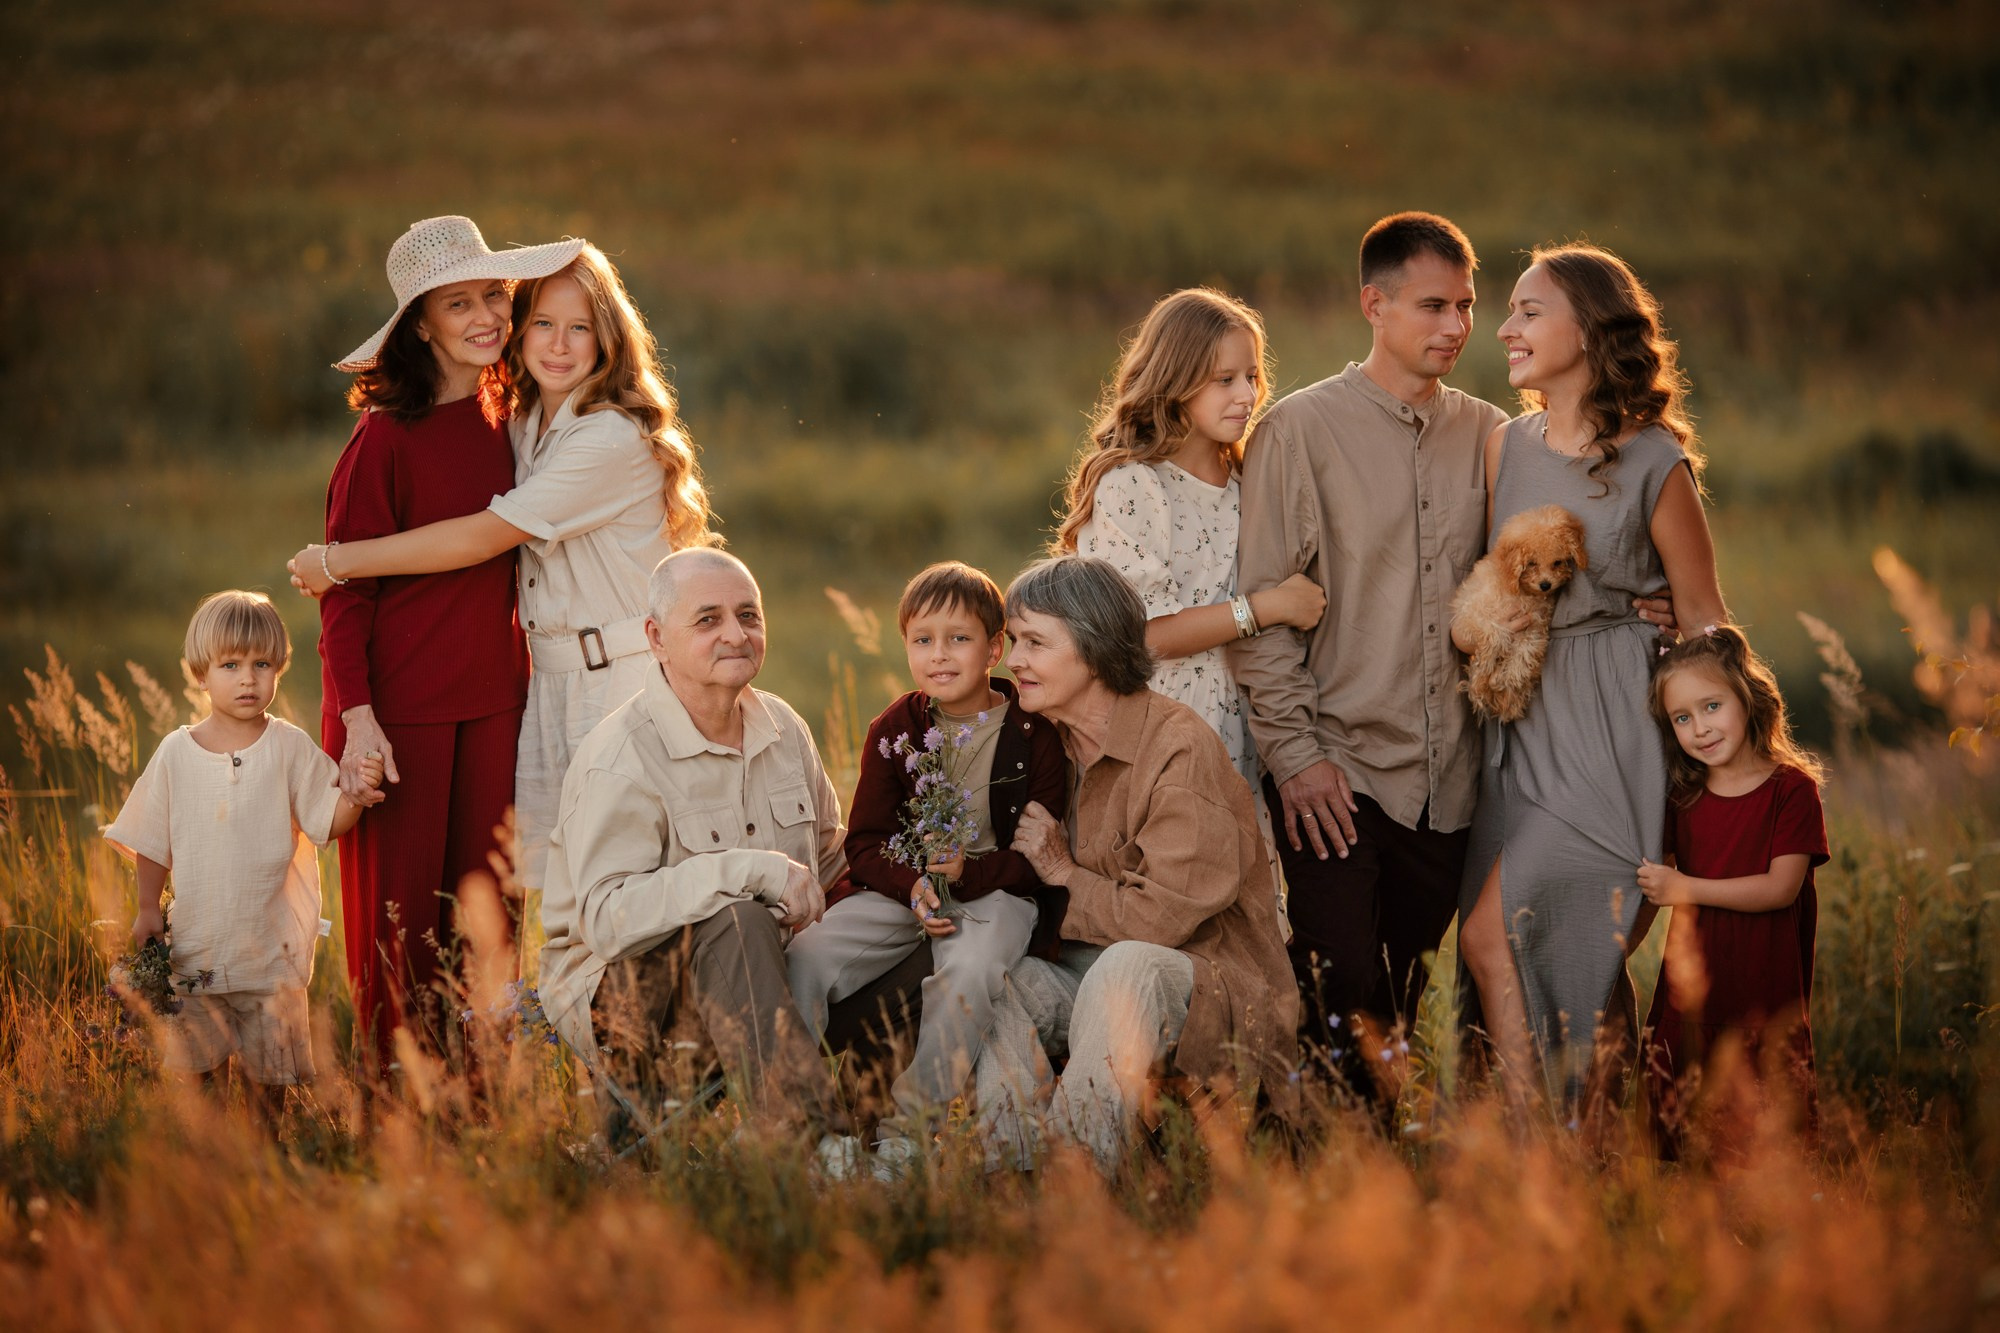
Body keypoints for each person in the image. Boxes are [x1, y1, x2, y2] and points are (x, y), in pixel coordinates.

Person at [290, 241, 716, 891]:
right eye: (543, 322)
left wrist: (337, 560)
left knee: (627, 884)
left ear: (608, 338)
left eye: (581, 328)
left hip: (614, 678)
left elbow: (484, 536)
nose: (558, 344)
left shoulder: (604, 436)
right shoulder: (520, 422)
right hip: (544, 682)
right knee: (570, 893)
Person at [1454, 243, 1729, 1108]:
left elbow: (1707, 619)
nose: (1505, 328)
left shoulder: (1653, 461)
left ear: (1589, 328)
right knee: (1576, 959)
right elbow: (1493, 578)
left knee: (1490, 937)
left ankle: (1535, 1149)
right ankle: (1604, 1151)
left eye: (1529, 311)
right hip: (1516, 730)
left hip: (1611, 735)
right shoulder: (1504, 446)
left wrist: (1715, 745)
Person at [319, 215, 579, 1063]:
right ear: (420, 325)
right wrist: (357, 718)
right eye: (457, 303)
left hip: (498, 701)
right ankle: (394, 1106)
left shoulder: (514, 415)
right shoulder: (382, 438)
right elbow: (344, 595)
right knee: (399, 929)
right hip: (398, 710)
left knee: (488, 915)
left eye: (493, 296)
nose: (486, 317)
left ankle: (483, 1105)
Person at [976, 556, 1296, 1175]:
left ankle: (1072, 1181)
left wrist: (1065, 873)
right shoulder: (1045, 745)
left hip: (1208, 982)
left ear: (1093, 650)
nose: (1014, 660)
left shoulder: (1177, 748)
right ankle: (1009, 1176)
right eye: (1015, 642)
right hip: (1090, 968)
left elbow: (1158, 922)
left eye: (1035, 643)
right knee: (991, 978)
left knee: (1127, 967)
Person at [537, 549, 846, 1133]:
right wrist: (751, 871)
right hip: (627, 1006)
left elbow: (831, 861)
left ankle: (899, 1137)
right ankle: (814, 1145)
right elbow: (605, 920)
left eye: (748, 616)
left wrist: (913, 882)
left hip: (766, 979)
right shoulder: (620, 757)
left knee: (914, 937)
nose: (736, 634)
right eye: (708, 620)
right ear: (657, 639)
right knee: (738, 919)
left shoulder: (784, 728)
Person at [785, 561, 1067, 1175]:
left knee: (969, 970)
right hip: (906, 890)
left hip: (997, 892)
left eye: (959, 638)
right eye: (922, 639)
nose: (939, 654)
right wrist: (912, 885)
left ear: (994, 648)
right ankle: (804, 1121)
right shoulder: (896, 729)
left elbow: (1035, 862)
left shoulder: (1034, 732)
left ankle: (907, 1132)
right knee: (808, 955)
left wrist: (968, 875)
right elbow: (865, 843)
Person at [105, 591, 383, 1113]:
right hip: (197, 956)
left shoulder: (289, 747)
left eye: (262, 665)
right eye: (230, 665)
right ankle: (214, 1154)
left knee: (268, 1092)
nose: (248, 679)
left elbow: (327, 819)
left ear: (279, 668)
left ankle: (265, 1152)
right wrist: (147, 908)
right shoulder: (176, 753)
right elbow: (152, 840)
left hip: (271, 958)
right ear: (201, 675)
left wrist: (356, 795)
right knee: (202, 1089)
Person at [1057, 288, 1326, 814]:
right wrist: (1266, 608)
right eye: (1224, 380)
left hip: (1245, 736)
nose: (1247, 395)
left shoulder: (1251, 481)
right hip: (1158, 737)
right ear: (1175, 380)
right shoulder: (1133, 485)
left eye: (1252, 376)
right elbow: (1142, 635)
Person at [1638, 626, 1828, 1158]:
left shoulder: (1792, 789)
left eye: (1712, 706)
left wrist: (1684, 888)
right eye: (1681, 718)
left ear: (1747, 697)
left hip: (1762, 987)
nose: (1700, 728)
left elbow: (1780, 889)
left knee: (1763, 1142)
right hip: (1693, 987)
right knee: (1681, 1135)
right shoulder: (1683, 794)